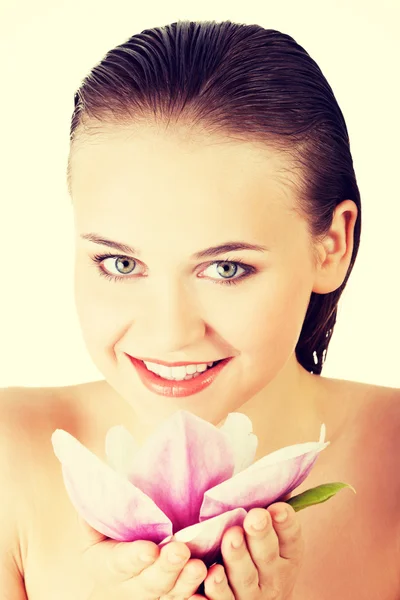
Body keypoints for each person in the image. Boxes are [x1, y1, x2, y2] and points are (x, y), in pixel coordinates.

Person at [1, 18, 399, 600]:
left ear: (331, 247)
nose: (170, 332)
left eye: (226, 268)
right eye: (119, 263)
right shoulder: (7, 459)